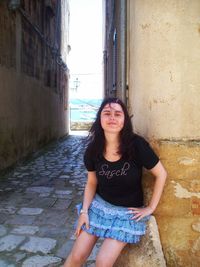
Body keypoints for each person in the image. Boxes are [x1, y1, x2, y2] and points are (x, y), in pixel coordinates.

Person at [64, 97, 167, 267]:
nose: (112, 117)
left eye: (118, 114)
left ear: (124, 120)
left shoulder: (137, 145)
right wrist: (84, 212)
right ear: (100, 119)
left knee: (102, 262)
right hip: (99, 208)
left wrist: (150, 208)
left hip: (126, 214)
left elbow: (161, 174)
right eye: (107, 113)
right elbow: (91, 182)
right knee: (76, 257)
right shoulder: (92, 150)